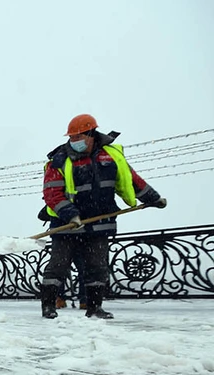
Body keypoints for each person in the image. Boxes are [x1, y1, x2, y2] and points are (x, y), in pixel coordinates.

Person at [39, 114, 166, 320]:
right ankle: (48, 306)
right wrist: (70, 215)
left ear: (91, 134)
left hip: (99, 222)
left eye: (78, 137)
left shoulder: (111, 156)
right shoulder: (60, 160)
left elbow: (131, 180)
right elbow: (52, 193)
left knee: (97, 267)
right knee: (57, 267)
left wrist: (153, 198)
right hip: (66, 225)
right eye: (71, 138)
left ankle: (94, 307)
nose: (74, 142)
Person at [36, 206, 86, 308]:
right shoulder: (62, 203)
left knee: (61, 269)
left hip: (64, 235)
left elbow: (42, 215)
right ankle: (83, 300)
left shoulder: (58, 204)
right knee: (80, 269)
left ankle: (61, 298)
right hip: (77, 236)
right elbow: (42, 215)